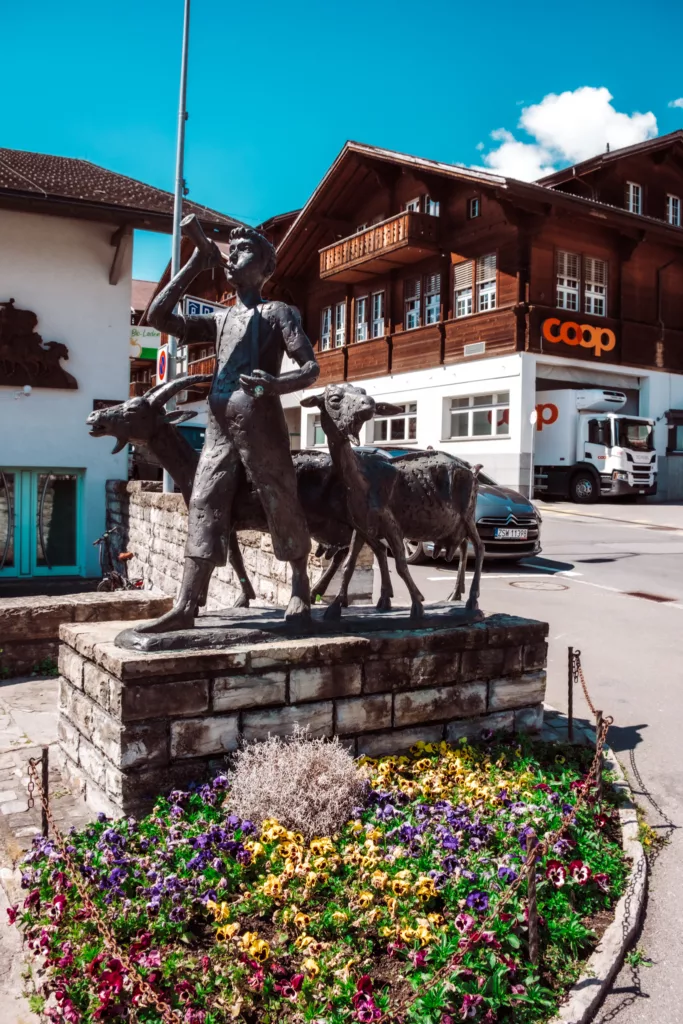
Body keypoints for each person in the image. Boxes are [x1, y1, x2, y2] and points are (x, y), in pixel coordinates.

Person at [139, 221, 319, 632]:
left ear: (265, 267)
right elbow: (157, 316)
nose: (233, 259)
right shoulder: (220, 320)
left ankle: (299, 585)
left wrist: (276, 384)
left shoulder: (277, 313)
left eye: (244, 252)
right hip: (220, 426)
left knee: (279, 496)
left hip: (261, 422)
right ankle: (186, 605)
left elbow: (310, 368)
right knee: (203, 501)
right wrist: (194, 264)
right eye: (230, 251)